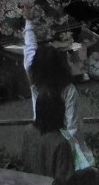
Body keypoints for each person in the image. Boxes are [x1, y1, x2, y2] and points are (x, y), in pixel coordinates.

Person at [23, 11, 95, 172]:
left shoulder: (35, 81)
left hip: (39, 133)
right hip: (61, 141)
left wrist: (28, 22)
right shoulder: (67, 89)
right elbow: (72, 126)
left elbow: (29, 50)